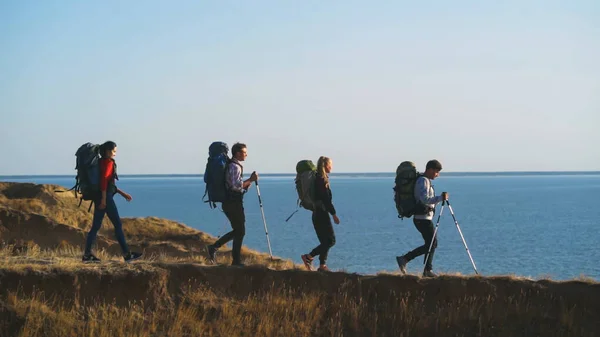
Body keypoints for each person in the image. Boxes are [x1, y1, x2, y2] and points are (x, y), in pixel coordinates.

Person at [82, 141, 142, 263]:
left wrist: (121, 193)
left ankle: (87, 255)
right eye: (114, 151)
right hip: (106, 198)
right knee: (118, 225)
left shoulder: (100, 162)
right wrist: (104, 200)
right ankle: (127, 254)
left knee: (95, 227)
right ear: (108, 151)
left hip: (101, 196)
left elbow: (108, 184)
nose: (115, 154)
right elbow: (104, 181)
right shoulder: (108, 163)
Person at [206, 142, 258, 266]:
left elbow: (237, 185)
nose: (246, 155)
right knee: (240, 231)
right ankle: (228, 256)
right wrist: (250, 180)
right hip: (233, 203)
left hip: (231, 202)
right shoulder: (235, 166)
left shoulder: (232, 165)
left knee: (239, 230)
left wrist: (246, 185)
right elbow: (235, 186)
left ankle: (223, 253)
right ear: (238, 153)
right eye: (245, 152)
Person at [396, 159, 448, 277]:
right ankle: (413, 263)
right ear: (430, 169)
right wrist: (440, 198)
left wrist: (439, 200)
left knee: (431, 244)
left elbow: (429, 201)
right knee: (432, 244)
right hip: (422, 218)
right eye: (436, 172)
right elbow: (424, 199)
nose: (437, 175)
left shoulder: (426, 181)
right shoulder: (423, 181)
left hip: (424, 218)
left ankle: (421, 267)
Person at [301, 156, 340, 272]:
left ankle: (322, 265)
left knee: (326, 241)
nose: (331, 167)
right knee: (331, 241)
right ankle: (308, 257)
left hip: (317, 213)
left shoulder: (318, 178)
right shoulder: (321, 180)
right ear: (326, 165)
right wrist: (334, 214)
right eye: (330, 164)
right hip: (321, 214)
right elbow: (326, 199)